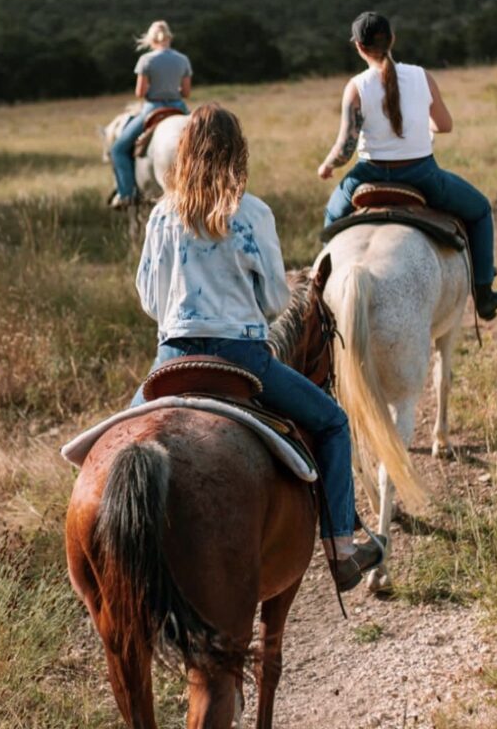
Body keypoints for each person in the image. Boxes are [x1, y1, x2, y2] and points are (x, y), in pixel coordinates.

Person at [132, 102, 383, 590]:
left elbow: (148, 300)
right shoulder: (252, 213)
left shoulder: (162, 214)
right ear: (237, 153)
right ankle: (341, 546)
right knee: (332, 423)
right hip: (242, 358)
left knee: (108, 444)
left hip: (173, 358)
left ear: (183, 152)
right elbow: (273, 300)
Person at [318, 11, 497, 321]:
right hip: (422, 174)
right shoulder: (422, 76)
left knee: (331, 219)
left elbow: (346, 149)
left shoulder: (356, 86)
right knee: (480, 211)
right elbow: (445, 125)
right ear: (392, 39)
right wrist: (418, 125)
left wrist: (327, 166)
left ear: (358, 47)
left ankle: (318, 297)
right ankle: (484, 294)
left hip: (367, 175)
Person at [109, 19, 192, 208]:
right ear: (169, 38)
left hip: (153, 107)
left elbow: (140, 92)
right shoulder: (182, 60)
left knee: (118, 150)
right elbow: (186, 93)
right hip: (179, 107)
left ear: (151, 40)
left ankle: (126, 194)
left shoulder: (146, 60)